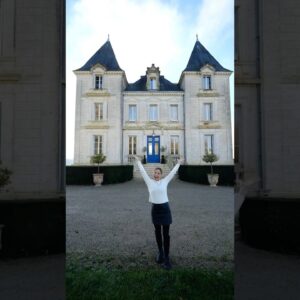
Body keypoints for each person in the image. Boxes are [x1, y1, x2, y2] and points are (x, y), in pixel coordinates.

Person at [134, 155, 183, 270]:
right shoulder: (149, 182)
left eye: (158, 173)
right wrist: (138, 162)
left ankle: (166, 257)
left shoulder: (165, 181)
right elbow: (142, 172)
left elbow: (172, 173)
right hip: (155, 210)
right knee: (157, 232)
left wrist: (179, 163)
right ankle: (160, 252)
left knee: (166, 234)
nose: (156, 174)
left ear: (161, 175)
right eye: (155, 173)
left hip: (165, 209)